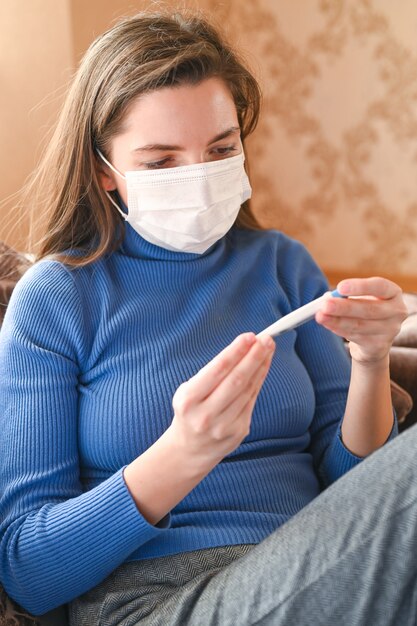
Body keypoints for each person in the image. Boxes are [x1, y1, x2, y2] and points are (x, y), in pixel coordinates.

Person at [0, 9, 414, 626]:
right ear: (102, 170)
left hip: (313, 567)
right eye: (162, 162)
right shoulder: (57, 299)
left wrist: (371, 360)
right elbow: (28, 572)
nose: (197, 178)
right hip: (158, 601)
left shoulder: (283, 266)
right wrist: (185, 452)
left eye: (220, 149)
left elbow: (350, 476)